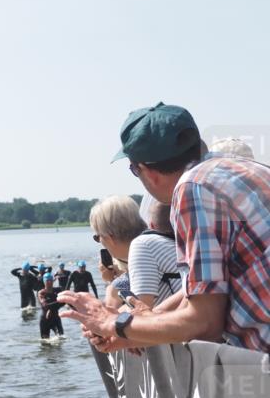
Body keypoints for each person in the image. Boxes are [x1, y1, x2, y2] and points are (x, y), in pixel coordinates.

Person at [62, 102, 270, 354]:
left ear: (148, 172)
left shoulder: (192, 188)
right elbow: (203, 290)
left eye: (133, 169)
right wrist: (135, 332)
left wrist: (113, 322)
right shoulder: (243, 169)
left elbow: (205, 322)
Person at [89, 196, 146, 311]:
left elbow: (142, 311)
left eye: (97, 237)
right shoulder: (160, 244)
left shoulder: (121, 284)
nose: (100, 242)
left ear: (109, 238)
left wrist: (111, 284)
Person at [37, 273, 64, 339]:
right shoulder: (41, 292)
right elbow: (44, 304)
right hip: (45, 320)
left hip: (56, 318)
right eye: (47, 281)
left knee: (61, 338)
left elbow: (64, 301)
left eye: (50, 280)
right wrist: (56, 304)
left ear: (53, 281)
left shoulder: (58, 290)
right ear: (44, 282)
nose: (49, 282)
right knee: (45, 341)